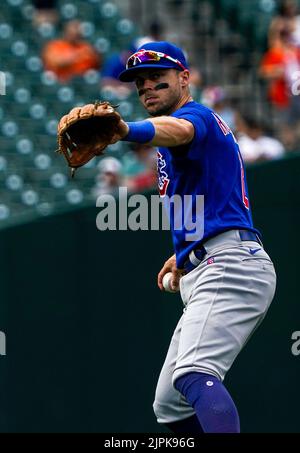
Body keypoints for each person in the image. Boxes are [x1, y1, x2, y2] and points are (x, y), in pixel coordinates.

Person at [78, 41, 277, 433]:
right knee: (169, 403)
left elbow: (179, 129)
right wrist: (184, 253)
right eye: (140, 82)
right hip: (212, 260)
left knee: (193, 373)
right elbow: (205, 197)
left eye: (158, 77)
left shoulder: (194, 117)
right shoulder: (174, 145)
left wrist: (126, 130)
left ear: (184, 77)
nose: (147, 86)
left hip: (230, 265)